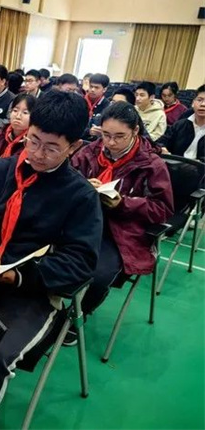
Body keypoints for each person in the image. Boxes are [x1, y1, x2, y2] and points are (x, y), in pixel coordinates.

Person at [0, 90, 102, 407]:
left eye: (51, 148)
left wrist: (19, 276)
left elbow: (79, 262)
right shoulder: (1, 170)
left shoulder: (80, 196)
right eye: (33, 140)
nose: (37, 153)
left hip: (31, 293)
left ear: (74, 147)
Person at [71, 102, 173, 332]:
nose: (110, 142)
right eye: (106, 135)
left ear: (135, 131)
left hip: (121, 233)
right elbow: (65, 181)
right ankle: (48, 306)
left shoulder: (152, 164)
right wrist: (82, 186)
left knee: (98, 275)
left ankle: (79, 314)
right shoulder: (89, 152)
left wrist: (123, 203)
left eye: (119, 136)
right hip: (82, 224)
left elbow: (162, 209)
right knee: (42, 253)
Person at [157, 84, 205, 161]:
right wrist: (162, 148)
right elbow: (160, 142)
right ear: (193, 103)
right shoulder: (180, 125)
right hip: (174, 165)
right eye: (199, 100)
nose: (203, 104)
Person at [84, 73, 111, 139]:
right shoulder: (80, 101)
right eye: (91, 86)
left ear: (104, 89)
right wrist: (88, 131)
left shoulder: (108, 106)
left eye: (96, 87)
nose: (92, 90)